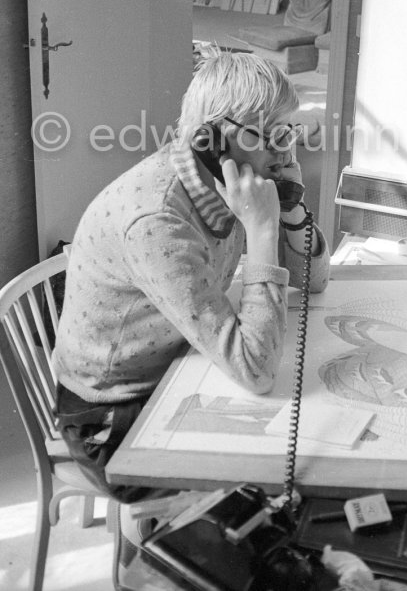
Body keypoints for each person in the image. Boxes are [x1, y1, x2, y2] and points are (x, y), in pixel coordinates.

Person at [53, 50, 330, 504]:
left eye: (289, 132)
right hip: (111, 415)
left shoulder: (224, 179)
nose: (283, 151)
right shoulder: (158, 220)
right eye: (269, 135)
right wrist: (262, 229)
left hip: (179, 362)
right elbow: (256, 370)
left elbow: (314, 280)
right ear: (209, 141)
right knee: (280, 477)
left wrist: (293, 206)